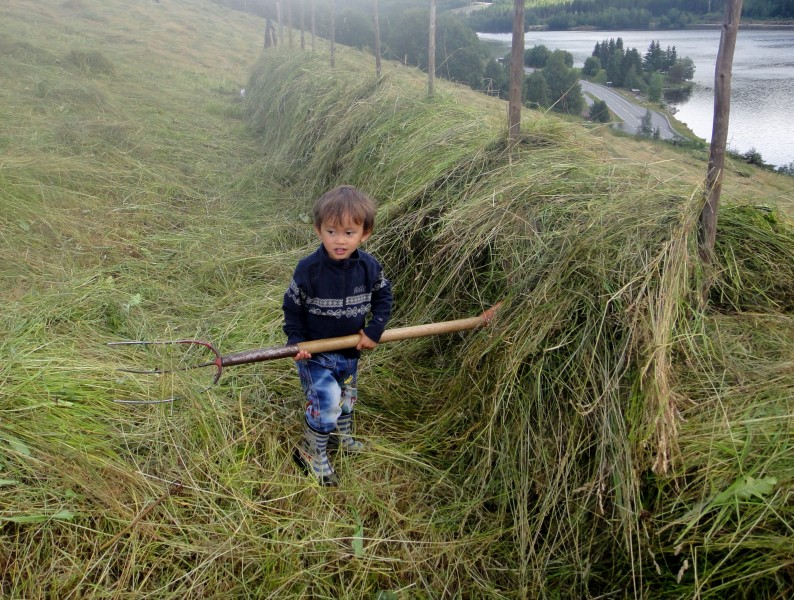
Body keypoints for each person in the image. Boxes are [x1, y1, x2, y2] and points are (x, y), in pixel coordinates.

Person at [283, 185, 393, 486]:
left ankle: (338, 438)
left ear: (364, 234)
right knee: (327, 401)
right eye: (331, 232)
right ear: (318, 230)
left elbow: (384, 297)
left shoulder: (369, 267)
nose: (339, 240)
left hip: (349, 353)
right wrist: (296, 342)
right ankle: (310, 452)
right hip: (315, 356)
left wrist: (374, 329)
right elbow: (292, 308)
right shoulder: (308, 270)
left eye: (348, 233)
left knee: (346, 399)